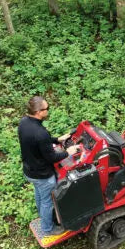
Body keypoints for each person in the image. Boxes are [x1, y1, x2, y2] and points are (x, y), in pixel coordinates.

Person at [18, 96, 79, 236]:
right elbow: (52, 157)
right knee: (47, 201)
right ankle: (48, 228)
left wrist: (57, 139)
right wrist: (68, 152)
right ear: (39, 112)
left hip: (30, 171)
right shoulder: (40, 133)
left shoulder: (24, 122)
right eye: (47, 109)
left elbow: (38, 142)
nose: (48, 111)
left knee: (40, 194)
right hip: (43, 175)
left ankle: (43, 217)